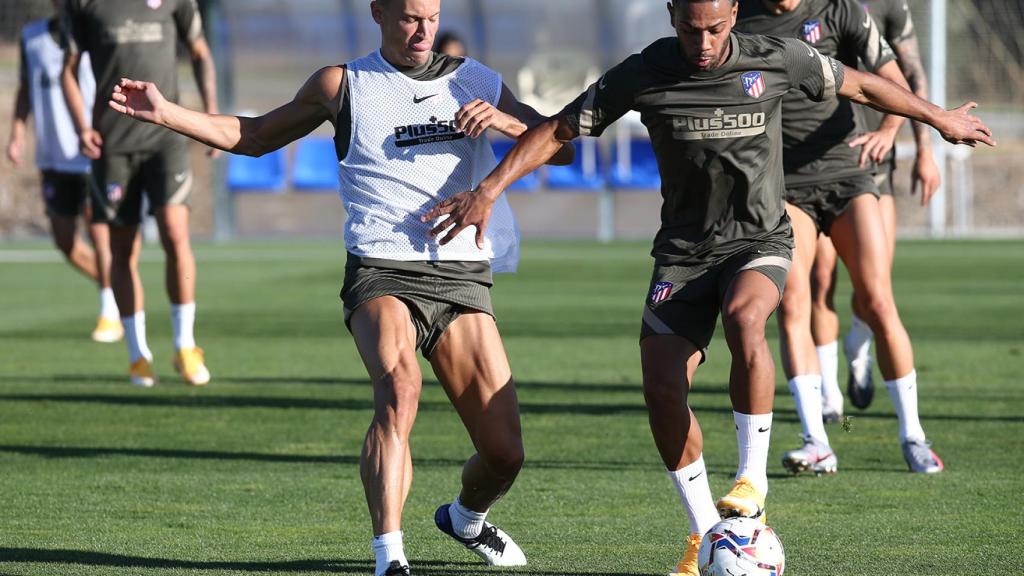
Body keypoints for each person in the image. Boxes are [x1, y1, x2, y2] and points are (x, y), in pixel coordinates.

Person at [420, 0, 991, 573]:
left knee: (747, 320)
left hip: (759, 240)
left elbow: (864, 86)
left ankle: (751, 481)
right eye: (691, 29)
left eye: (716, 28)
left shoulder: (775, 57)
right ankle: (703, 532)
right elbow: (558, 130)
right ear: (672, 16)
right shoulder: (645, 71)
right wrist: (489, 191)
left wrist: (939, 118)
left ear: (734, 14)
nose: (704, 42)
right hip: (683, 255)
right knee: (662, 387)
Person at [107, 0, 573, 574]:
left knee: (505, 454)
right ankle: (389, 556)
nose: (423, 29)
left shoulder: (477, 79)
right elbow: (252, 135)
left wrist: (507, 124)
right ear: (378, 12)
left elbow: (562, 143)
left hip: (460, 276)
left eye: (430, 16)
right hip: (380, 269)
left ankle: (465, 518)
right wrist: (165, 112)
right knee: (399, 389)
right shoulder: (342, 84)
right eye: (408, 17)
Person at [736, 0, 947, 475]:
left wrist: (891, 132)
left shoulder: (841, 10)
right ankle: (817, 440)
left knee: (876, 300)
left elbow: (896, 80)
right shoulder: (739, 17)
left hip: (849, 176)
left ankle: (913, 435)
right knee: (795, 305)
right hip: (785, 185)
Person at [61, 0, 219, 387]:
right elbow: (67, 69)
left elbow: (200, 52)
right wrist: (82, 127)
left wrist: (211, 116)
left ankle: (185, 346)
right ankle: (137, 355)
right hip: (112, 145)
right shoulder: (84, 5)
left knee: (175, 234)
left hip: (167, 139)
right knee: (122, 248)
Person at [810, 0, 940, 420]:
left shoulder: (888, 7)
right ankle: (829, 397)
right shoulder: (810, 7)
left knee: (874, 291)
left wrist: (921, 148)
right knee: (820, 279)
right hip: (815, 160)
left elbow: (912, 74)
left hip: (874, 159)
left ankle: (857, 346)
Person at [6, 0, 121, 343]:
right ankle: (118, 290)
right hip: (52, 155)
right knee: (66, 242)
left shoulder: (96, 30)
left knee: (99, 231)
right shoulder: (32, 36)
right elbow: (26, 88)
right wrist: (17, 133)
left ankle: (110, 311)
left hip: (91, 151)